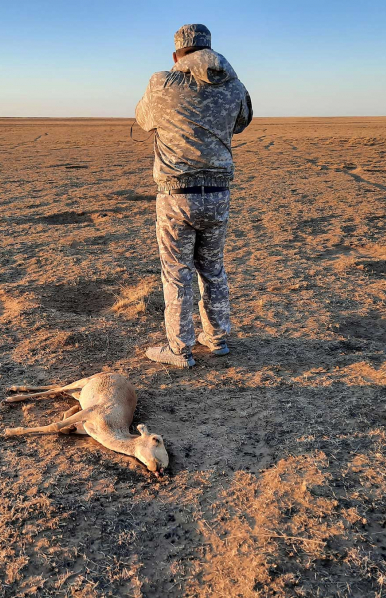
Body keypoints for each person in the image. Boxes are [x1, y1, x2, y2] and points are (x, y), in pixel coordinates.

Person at [135, 23, 252, 369]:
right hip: (218, 195)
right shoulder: (234, 85)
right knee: (212, 268)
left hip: (176, 196)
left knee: (176, 272)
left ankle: (179, 348)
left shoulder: (162, 83)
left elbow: (143, 119)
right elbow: (242, 121)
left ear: (176, 55)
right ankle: (217, 340)